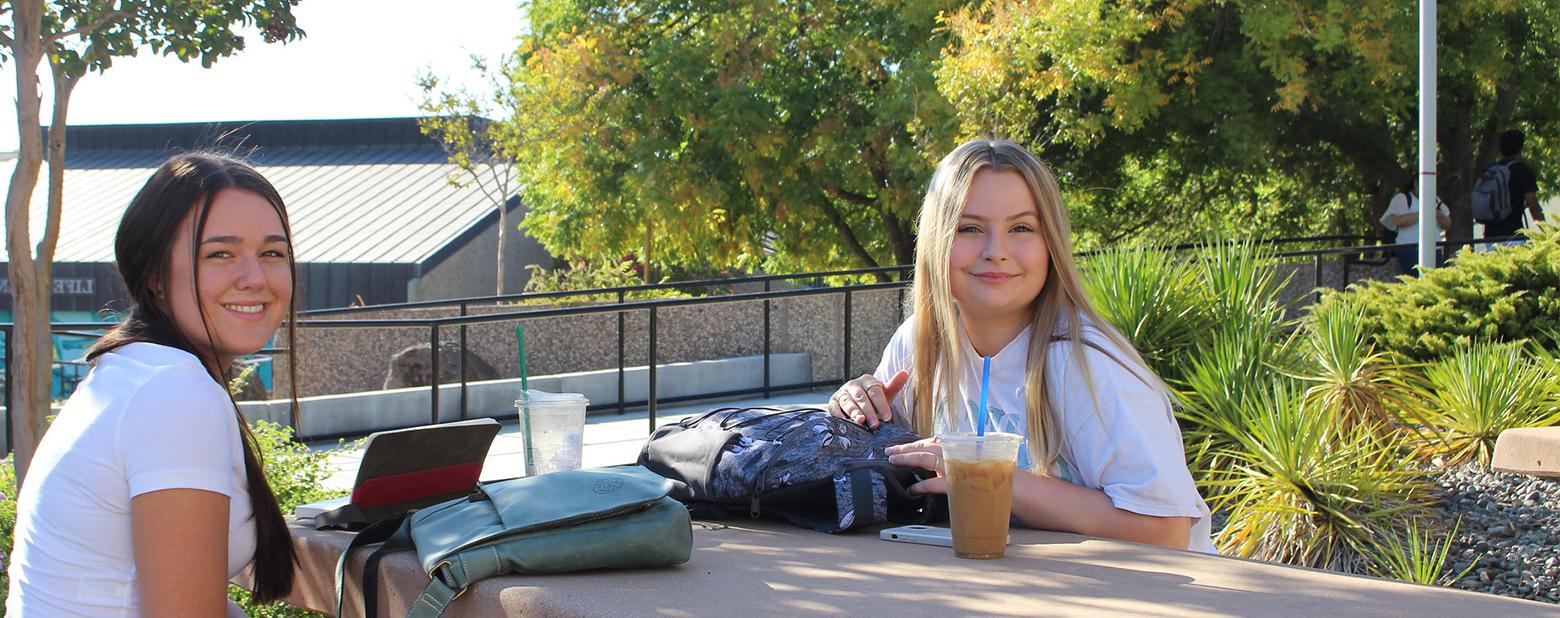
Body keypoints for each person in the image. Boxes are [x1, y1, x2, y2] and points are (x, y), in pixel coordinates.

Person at [827, 138, 1214, 553]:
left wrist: (989, 477)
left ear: (1052, 243)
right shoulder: (921, 343)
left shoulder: (1088, 364)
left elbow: (1167, 528)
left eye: (1022, 228)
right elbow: (886, 466)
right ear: (937, 241)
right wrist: (853, 409)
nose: (996, 252)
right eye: (969, 228)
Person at [6, 153, 299, 615]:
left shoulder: (132, 371)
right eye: (220, 253)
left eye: (272, 253)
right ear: (155, 276)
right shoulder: (173, 394)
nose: (255, 278)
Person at [1483, 129, 1546, 244]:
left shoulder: (1491, 171)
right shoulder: (1523, 171)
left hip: (1490, 236)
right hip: (1513, 236)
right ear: (1520, 148)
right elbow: (1533, 206)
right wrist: (1547, 232)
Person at [1378, 178, 1451, 275]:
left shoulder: (1436, 200)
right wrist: (1424, 213)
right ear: (1415, 184)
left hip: (1434, 249)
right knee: (1418, 280)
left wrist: (1440, 216)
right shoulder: (1402, 198)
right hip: (1409, 249)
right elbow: (1397, 221)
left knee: (1437, 281)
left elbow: (1448, 224)